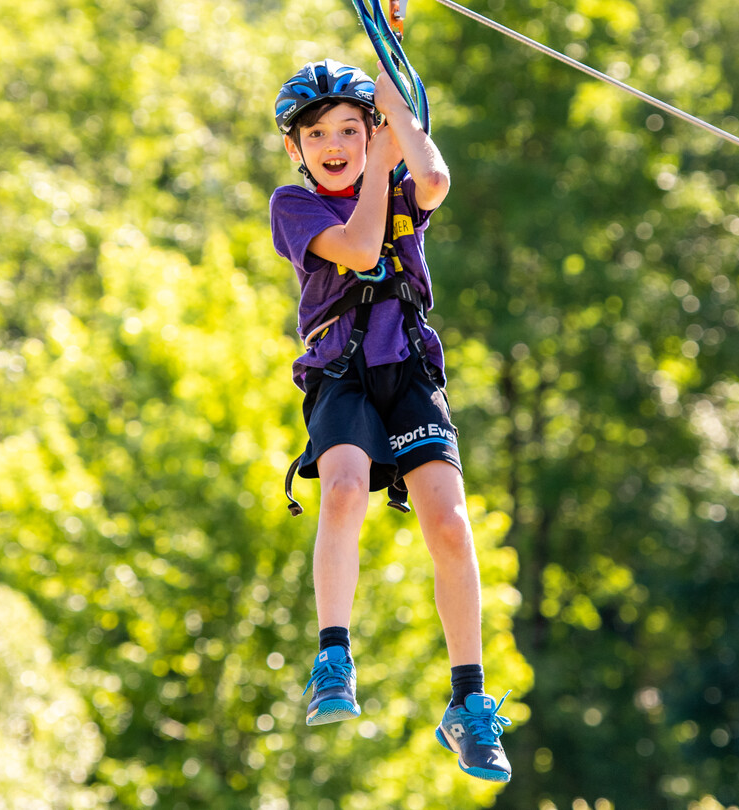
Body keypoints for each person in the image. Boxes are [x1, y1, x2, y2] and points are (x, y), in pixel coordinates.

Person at [268, 58, 512, 783]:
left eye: (350, 129)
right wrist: (379, 160)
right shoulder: (295, 205)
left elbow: (433, 179)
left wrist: (393, 109)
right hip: (341, 371)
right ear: (297, 149)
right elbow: (362, 248)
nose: (336, 143)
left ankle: (467, 702)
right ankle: (334, 655)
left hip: (405, 367)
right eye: (319, 134)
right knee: (342, 489)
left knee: (450, 524)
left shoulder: (402, 182)